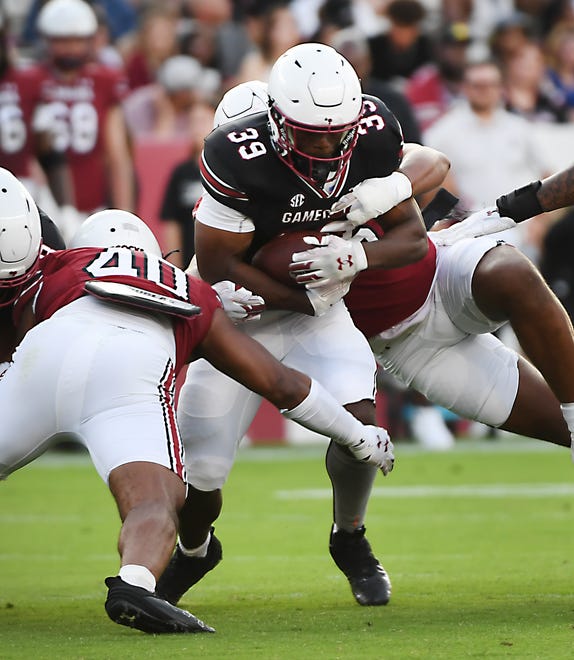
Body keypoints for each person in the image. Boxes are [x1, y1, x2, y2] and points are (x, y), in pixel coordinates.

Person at [0, 179, 394, 633]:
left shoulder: (60, 263)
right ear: (156, 254)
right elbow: (279, 383)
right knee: (155, 501)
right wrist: (356, 435)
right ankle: (135, 583)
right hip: (130, 370)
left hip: (49, 348)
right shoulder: (189, 289)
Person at [155, 43, 450, 609]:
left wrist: (354, 255)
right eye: (307, 133)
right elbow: (218, 265)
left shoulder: (367, 133)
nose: (323, 145)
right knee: (202, 476)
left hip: (318, 311)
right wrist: (301, 294)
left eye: (331, 132)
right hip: (236, 321)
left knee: (361, 426)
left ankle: (350, 536)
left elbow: (415, 222)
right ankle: (195, 549)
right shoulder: (234, 156)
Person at [32, 0, 135, 240]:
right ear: (47, 40)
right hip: (41, 206)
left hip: (93, 207)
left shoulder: (106, 80)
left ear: (91, 39)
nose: (70, 48)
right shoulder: (30, 80)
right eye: (62, 40)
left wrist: (125, 216)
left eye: (76, 40)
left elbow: (118, 156)